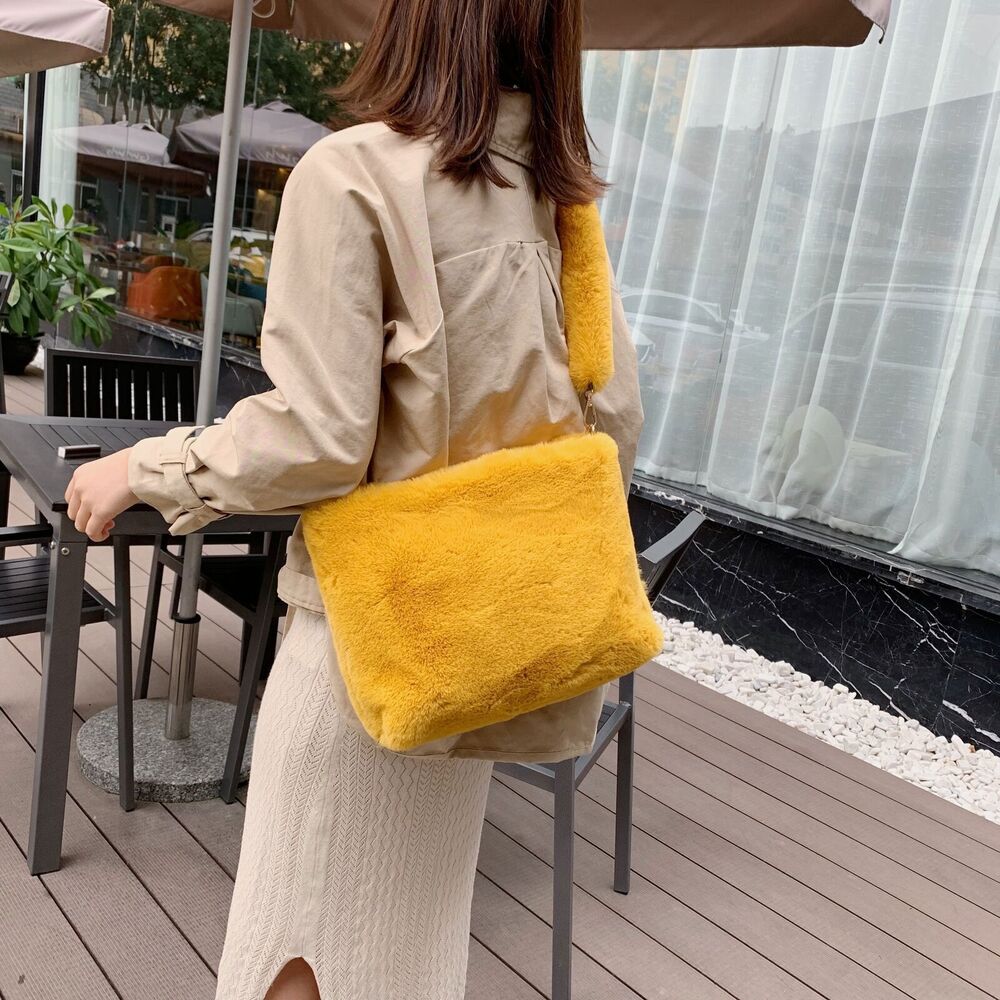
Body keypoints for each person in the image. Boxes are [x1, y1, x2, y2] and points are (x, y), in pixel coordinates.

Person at [64, 0, 644, 997]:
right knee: (407, 962)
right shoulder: (558, 206)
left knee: (300, 957)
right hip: (478, 664)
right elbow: (616, 423)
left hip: (364, 656)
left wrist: (148, 469)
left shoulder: (358, 174)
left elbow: (319, 440)